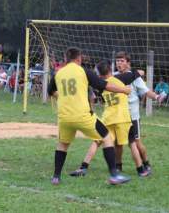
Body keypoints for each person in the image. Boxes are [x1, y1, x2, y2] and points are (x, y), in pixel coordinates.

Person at [48, 47, 132, 185]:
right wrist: (124, 89)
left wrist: (63, 97)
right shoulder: (83, 71)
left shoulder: (59, 73)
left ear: (65, 59)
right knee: (107, 137)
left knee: (62, 144)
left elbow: (50, 91)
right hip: (83, 116)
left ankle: (56, 177)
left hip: (64, 117)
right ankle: (114, 175)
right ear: (79, 58)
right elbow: (103, 85)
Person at [69, 60, 150, 178]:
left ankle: (83, 167)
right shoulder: (123, 78)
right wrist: (134, 70)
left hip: (108, 118)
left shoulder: (100, 84)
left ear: (100, 74)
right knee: (132, 144)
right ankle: (141, 170)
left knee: (97, 141)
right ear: (111, 70)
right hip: (123, 118)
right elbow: (140, 73)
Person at [114, 51, 160, 172]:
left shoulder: (134, 77)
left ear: (128, 63)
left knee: (136, 143)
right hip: (119, 116)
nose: (119, 63)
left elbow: (146, 91)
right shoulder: (114, 76)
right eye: (117, 61)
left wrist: (156, 97)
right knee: (118, 143)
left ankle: (146, 163)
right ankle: (118, 166)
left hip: (132, 116)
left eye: (122, 61)